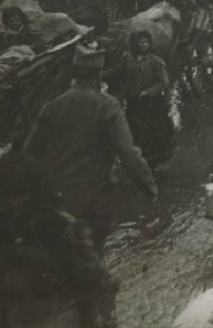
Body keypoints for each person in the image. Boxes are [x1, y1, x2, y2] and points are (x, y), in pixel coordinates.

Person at [23, 43, 158, 249]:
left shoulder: (53, 105)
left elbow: (30, 151)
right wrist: (148, 186)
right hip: (95, 199)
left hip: (57, 198)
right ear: (98, 76)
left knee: (61, 253)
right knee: (91, 254)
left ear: (74, 73)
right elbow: (128, 153)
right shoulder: (107, 105)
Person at [0, 153, 119, 328]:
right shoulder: (59, 223)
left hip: (32, 321)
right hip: (55, 318)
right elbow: (96, 277)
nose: (12, 205)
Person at [102, 30, 174, 168]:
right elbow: (117, 71)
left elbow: (163, 82)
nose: (144, 45)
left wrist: (149, 92)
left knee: (153, 134)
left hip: (151, 104)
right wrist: (99, 75)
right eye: (141, 42)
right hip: (134, 103)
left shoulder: (155, 61)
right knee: (135, 132)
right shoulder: (127, 58)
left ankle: (152, 164)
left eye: (147, 42)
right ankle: (139, 162)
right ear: (134, 44)